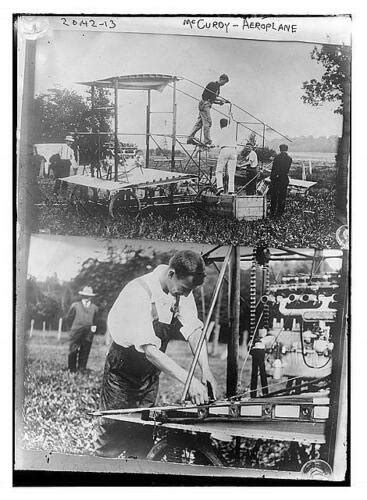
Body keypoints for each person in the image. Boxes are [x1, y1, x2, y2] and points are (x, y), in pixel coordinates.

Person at [95, 250, 217, 458]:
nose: (187, 295)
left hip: (149, 375)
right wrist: (189, 380)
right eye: (184, 289)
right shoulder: (138, 292)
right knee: (113, 438)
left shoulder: (181, 290)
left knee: (142, 438)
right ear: (171, 274)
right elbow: (150, 351)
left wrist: (205, 370)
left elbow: (194, 332)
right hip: (122, 370)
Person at [187, 74, 229, 147]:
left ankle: (190, 137)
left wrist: (220, 102)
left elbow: (212, 100)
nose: (224, 84)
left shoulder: (218, 88)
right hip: (204, 104)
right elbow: (211, 97)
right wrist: (222, 100)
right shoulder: (213, 85)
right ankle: (207, 141)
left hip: (207, 104)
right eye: (224, 82)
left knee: (200, 123)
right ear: (221, 79)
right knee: (208, 122)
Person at [66, 286, 98, 373]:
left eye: (88, 296)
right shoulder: (75, 306)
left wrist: (92, 332)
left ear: (91, 296)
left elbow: (95, 321)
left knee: (85, 350)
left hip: (88, 333)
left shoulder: (95, 308)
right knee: (73, 350)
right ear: (82, 296)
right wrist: (72, 330)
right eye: (85, 295)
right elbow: (69, 319)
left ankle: (82, 368)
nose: (87, 297)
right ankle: (72, 369)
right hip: (76, 332)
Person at [215, 117, 238, 195]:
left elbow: (217, 144)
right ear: (227, 124)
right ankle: (231, 190)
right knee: (231, 172)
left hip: (225, 150)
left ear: (220, 124)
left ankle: (220, 187)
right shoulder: (231, 131)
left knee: (219, 170)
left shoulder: (221, 131)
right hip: (234, 150)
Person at [270, 144, 292, 216]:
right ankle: (280, 212)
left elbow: (274, 169)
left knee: (274, 196)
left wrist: (272, 177)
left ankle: (272, 211)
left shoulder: (277, 158)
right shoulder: (289, 158)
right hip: (284, 179)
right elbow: (286, 169)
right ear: (287, 149)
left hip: (276, 179)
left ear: (280, 149)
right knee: (282, 196)